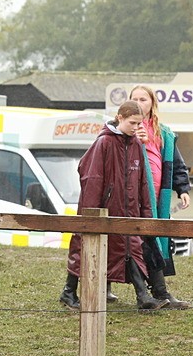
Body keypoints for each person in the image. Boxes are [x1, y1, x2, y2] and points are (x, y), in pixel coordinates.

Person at [60, 101, 165, 312]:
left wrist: (145, 212)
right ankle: (69, 291)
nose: (136, 127)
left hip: (129, 211)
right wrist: (91, 213)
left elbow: (143, 182)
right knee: (84, 246)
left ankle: (142, 295)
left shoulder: (136, 145)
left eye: (139, 123)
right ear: (120, 118)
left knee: (131, 248)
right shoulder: (104, 143)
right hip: (104, 210)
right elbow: (92, 178)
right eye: (132, 123)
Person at [128, 84, 191, 309]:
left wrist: (183, 189)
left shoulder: (164, 132)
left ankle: (159, 293)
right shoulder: (125, 128)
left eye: (143, 99)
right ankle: (152, 294)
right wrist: (135, 140)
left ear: (152, 103)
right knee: (138, 243)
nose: (138, 103)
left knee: (154, 241)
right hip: (133, 199)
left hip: (157, 198)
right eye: (134, 99)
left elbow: (176, 164)